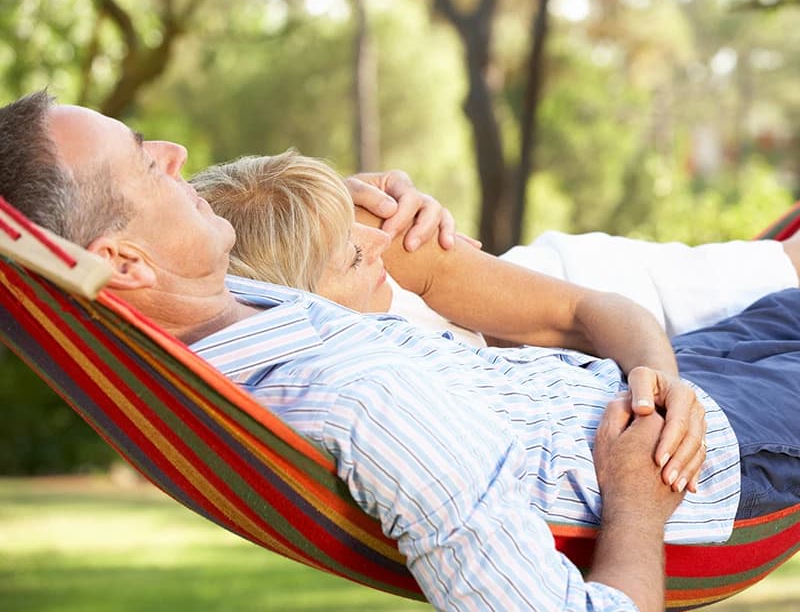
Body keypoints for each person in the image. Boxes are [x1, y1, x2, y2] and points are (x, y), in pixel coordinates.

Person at [2, 91, 799, 612]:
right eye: (146, 161)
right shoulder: (364, 397)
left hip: (656, 384)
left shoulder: (250, 320)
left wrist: (329, 205)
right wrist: (635, 501)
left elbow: (288, 250)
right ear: (128, 262)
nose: (174, 150)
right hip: (699, 459)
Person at [189, 150, 800, 347]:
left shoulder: (389, 260)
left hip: (607, 288)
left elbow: (574, 316)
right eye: (351, 252)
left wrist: (349, 202)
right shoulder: (310, 347)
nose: (375, 246)